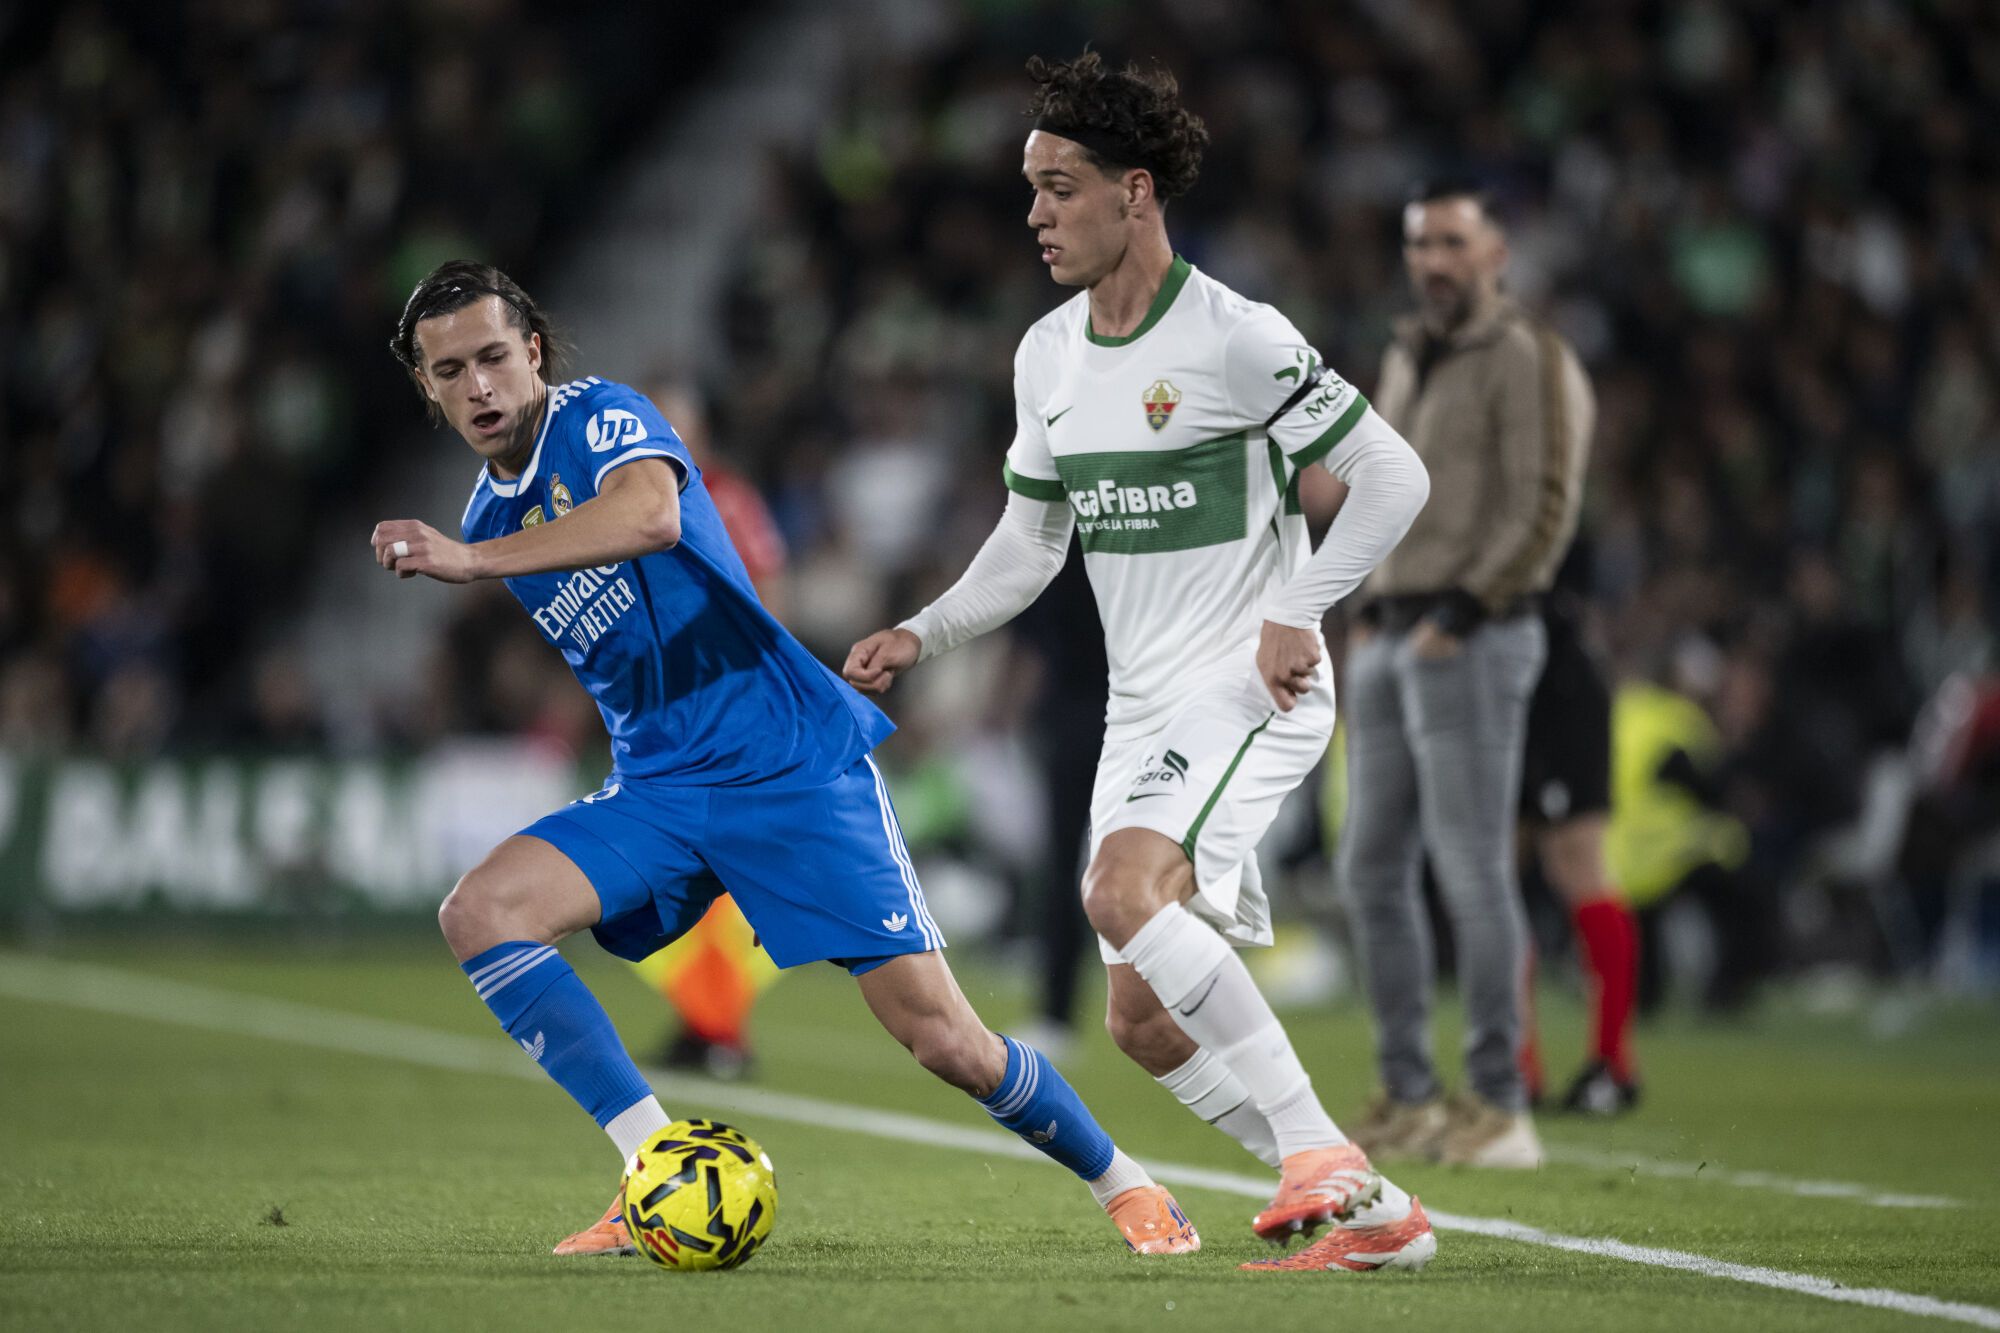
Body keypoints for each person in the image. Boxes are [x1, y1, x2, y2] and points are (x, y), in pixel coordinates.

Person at [372, 259, 1201, 1258]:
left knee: (945, 1040)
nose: (479, 386)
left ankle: (1127, 1184)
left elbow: (651, 516)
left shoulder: (599, 417)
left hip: (790, 768)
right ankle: (652, 1169)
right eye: (451, 371)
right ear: (427, 387)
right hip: (660, 786)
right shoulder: (487, 511)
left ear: (534, 351)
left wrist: (470, 563)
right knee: (481, 911)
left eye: (494, 357)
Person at [845, 54, 1436, 1275]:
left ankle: (1316, 1155)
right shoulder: (1046, 356)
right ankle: (1371, 1207)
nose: (1034, 213)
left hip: (1254, 682)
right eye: (1029, 188)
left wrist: (1299, 606)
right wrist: (923, 631)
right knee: (1139, 1021)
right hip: (1142, 709)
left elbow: (1393, 475)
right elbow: (1030, 542)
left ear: (1135, 191)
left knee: (1119, 894)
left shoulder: (1236, 338)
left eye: (1058, 187)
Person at [1340, 181, 1594, 1169]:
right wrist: (1367, 605)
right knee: (1370, 866)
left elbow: (1544, 503)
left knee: (1471, 866)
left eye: (1451, 241)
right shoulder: (1409, 350)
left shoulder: (1527, 353)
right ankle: (1409, 1094)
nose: (1432, 261)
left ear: (1497, 252)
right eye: (1419, 243)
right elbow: (1377, 486)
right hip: (1392, 629)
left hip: (1472, 634)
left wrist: (1465, 610)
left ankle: (1497, 1100)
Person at [627, 378, 788, 1080]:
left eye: (675, 421)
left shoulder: (726, 498)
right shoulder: (622, 500)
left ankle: (722, 1027)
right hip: (658, 713)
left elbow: (769, 591)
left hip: (727, 713)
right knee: (671, 870)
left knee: (721, 875)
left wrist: (758, 683)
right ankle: (703, 1021)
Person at [1515, 553, 1641, 1116]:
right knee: (1493, 879)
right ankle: (1516, 1067)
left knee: (1578, 865)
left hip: (1556, 694)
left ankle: (1613, 1063)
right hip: (1515, 694)